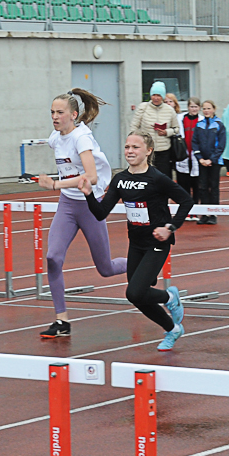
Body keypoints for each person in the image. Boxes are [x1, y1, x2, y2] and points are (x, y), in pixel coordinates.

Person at [78, 130, 194, 351]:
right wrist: (88, 195)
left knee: (134, 292)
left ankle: (170, 297)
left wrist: (170, 228)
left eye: (135, 147)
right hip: (136, 244)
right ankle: (172, 329)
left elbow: (186, 201)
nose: (129, 151)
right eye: (127, 147)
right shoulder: (120, 179)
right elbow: (101, 213)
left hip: (157, 243)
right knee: (137, 297)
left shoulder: (157, 178)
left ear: (148, 151)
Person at [35, 89, 127, 339]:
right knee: (53, 258)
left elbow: (91, 176)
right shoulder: (55, 137)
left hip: (90, 205)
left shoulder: (82, 139)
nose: (54, 117)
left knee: (105, 268)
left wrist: (55, 184)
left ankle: (139, 265)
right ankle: (61, 320)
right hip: (67, 205)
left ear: (73, 115)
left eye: (60, 112)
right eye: (52, 112)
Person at [130, 82, 180, 180]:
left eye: (158, 95)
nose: (156, 98)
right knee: (146, 177)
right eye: (154, 95)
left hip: (164, 150)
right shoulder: (143, 108)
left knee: (163, 178)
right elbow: (134, 126)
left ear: (163, 97)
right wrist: (133, 143)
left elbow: (176, 129)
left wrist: (166, 132)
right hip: (146, 150)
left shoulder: (169, 110)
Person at [192, 100, 225, 225]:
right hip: (202, 162)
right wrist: (200, 158)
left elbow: (221, 145)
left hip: (214, 162)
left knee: (213, 187)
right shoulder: (199, 125)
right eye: (204, 109)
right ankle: (204, 213)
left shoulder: (219, 124)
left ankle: (213, 214)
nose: (206, 111)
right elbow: (195, 142)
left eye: (208, 108)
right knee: (203, 187)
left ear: (214, 109)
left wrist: (212, 159)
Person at [176, 97, 202, 215]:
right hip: (183, 155)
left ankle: (195, 210)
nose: (194, 109)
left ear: (199, 108)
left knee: (196, 185)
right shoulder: (181, 119)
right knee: (183, 185)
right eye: (191, 106)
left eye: (196, 107)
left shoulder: (202, 120)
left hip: (196, 156)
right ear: (188, 107)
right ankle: (185, 211)